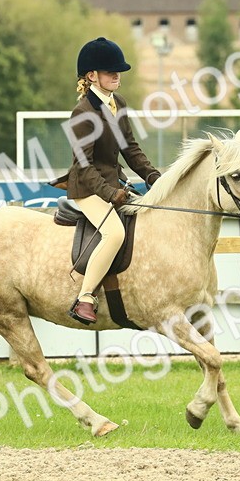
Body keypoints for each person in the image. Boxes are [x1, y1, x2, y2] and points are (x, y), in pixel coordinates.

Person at [52, 37, 161, 325]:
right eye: (110, 71)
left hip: (114, 184)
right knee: (114, 233)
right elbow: (84, 166)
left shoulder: (118, 103)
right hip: (87, 189)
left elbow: (130, 149)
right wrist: (110, 193)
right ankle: (85, 298)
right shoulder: (82, 114)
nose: (117, 76)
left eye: (118, 71)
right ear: (91, 76)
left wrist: (153, 177)